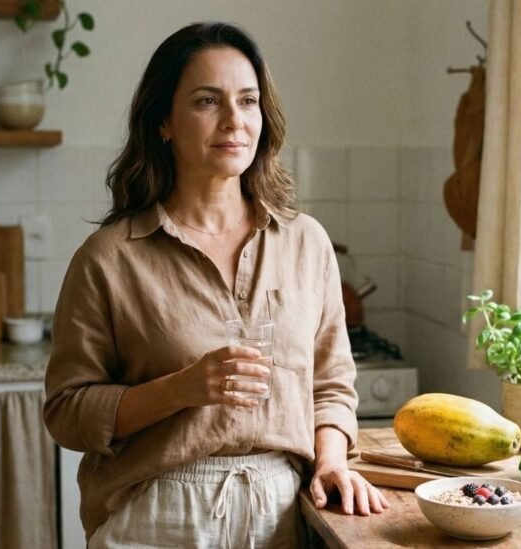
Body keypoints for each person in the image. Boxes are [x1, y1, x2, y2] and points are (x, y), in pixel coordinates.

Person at [43, 21, 388, 548]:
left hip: (283, 513)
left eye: (248, 101)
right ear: (164, 121)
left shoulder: (306, 243)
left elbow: (332, 385)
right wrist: (180, 390)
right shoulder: (110, 258)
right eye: (208, 101)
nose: (234, 121)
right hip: (155, 515)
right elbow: (67, 413)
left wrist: (332, 462)